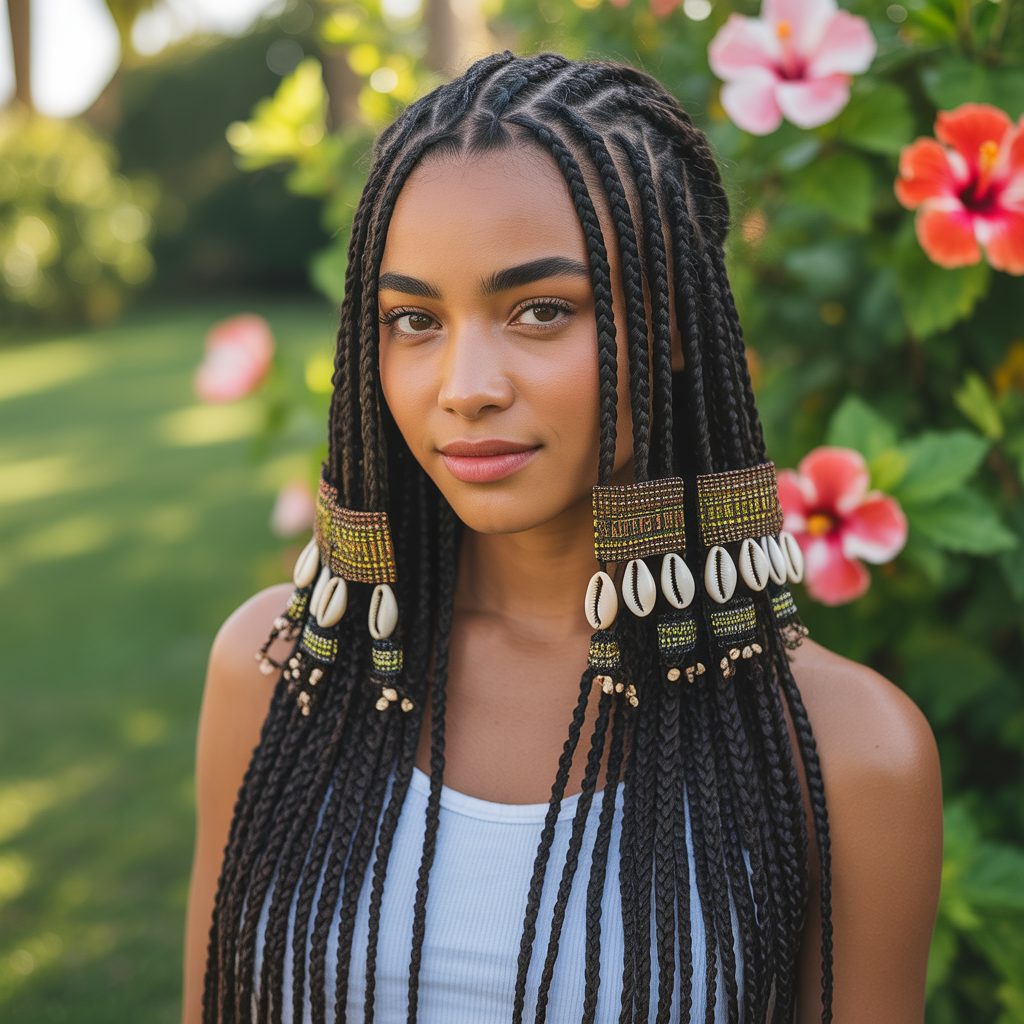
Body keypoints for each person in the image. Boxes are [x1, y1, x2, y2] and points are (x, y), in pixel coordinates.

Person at [182, 52, 943, 1024]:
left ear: (670, 326)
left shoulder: (845, 751)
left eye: (540, 311)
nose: (465, 385)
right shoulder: (279, 674)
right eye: (413, 319)